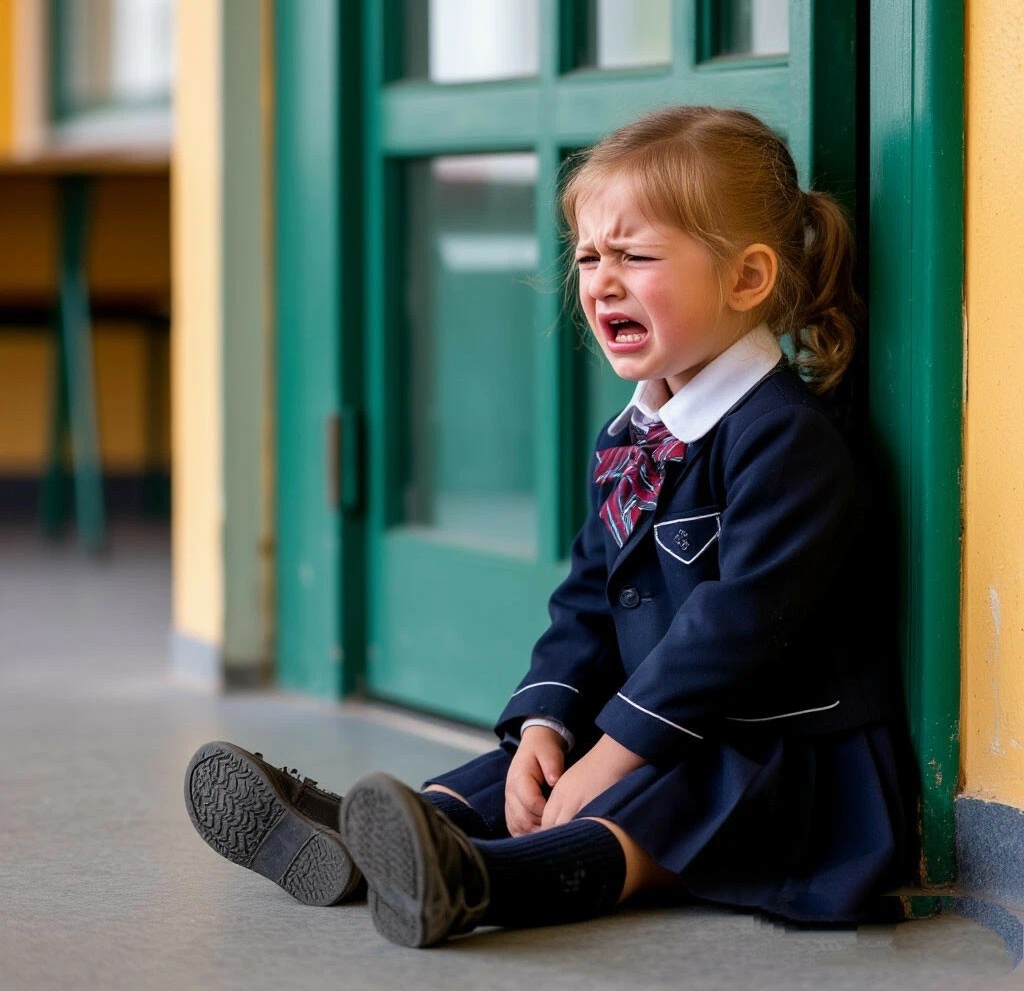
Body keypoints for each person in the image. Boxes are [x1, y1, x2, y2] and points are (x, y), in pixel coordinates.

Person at [184, 105, 915, 949]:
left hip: (780, 752)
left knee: (658, 798)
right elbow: (589, 601)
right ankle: (378, 838)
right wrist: (548, 724)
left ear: (747, 280)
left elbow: (739, 627)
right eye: (589, 257)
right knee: (529, 772)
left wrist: (616, 750)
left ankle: (483, 881)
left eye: (635, 257)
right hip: (668, 720)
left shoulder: (783, 437)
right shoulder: (632, 437)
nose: (601, 281)